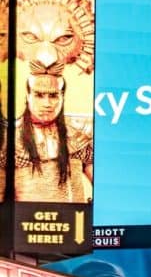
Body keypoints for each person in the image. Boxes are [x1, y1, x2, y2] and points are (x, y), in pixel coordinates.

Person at [9, 65, 93, 203]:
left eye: (53, 96)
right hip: (26, 222)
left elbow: (104, 189)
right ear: (28, 96)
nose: (47, 104)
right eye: (39, 95)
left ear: (62, 97)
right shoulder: (9, 141)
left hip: (74, 220)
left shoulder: (78, 137)